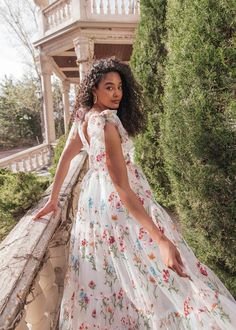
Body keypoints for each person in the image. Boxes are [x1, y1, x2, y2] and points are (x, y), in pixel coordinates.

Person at [33, 57, 236, 329]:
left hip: (94, 206)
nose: (117, 93)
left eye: (119, 86)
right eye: (108, 87)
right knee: (161, 277)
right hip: (120, 209)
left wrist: (54, 198)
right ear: (94, 89)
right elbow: (122, 187)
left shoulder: (83, 116)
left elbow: (66, 158)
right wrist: (160, 238)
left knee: (112, 278)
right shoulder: (106, 125)